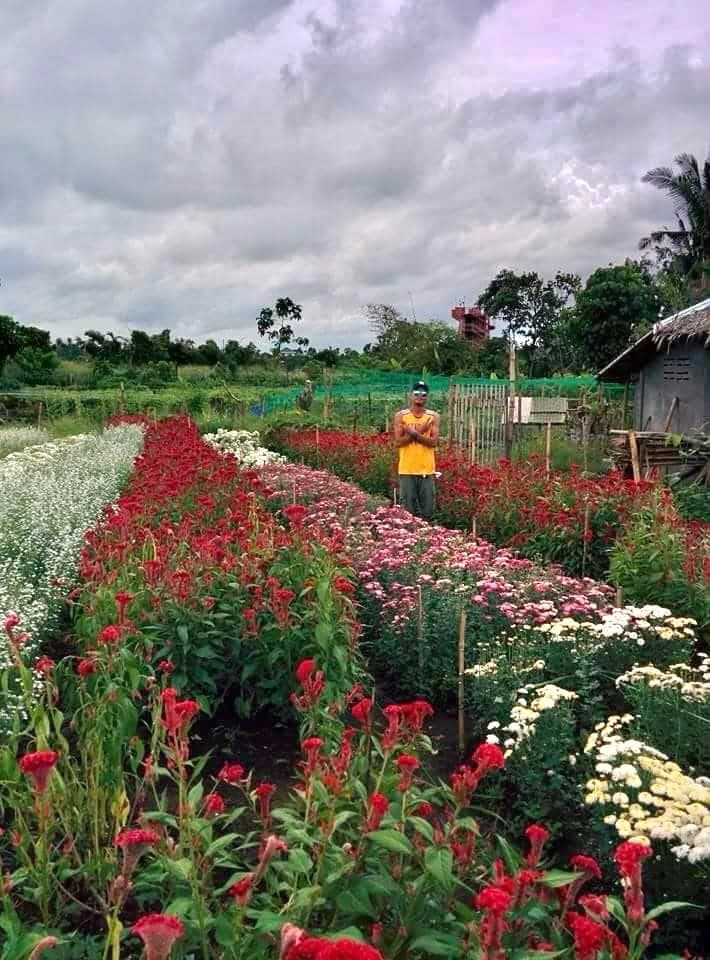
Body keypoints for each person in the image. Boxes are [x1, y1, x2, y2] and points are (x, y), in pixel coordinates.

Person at [393, 380, 440, 520]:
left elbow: (433, 442)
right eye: (417, 393)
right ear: (411, 395)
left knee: (428, 512)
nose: (420, 396)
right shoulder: (401, 416)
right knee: (407, 512)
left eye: (424, 394)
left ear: (427, 397)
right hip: (407, 469)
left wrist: (414, 433)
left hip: (427, 470)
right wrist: (421, 432)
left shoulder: (433, 417)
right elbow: (398, 442)